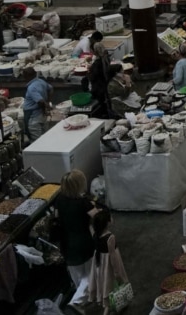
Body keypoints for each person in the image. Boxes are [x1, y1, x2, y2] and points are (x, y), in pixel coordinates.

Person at [57, 170, 95, 309]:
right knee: (90, 274)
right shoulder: (84, 203)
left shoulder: (59, 200)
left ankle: (82, 301)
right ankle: (77, 302)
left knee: (77, 275)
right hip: (83, 242)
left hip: (66, 242)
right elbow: (97, 218)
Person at [87, 206, 129, 314]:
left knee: (104, 283)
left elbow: (90, 225)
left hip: (99, 263)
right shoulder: (110, 237)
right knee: (110, 284)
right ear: (107, 222)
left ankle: (105, 305)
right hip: (109, 264)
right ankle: (109, 308)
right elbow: (113, 257)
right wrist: (117, 272)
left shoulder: (94, 233)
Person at [22, 67, 52, 142]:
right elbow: (51, 89)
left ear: (27, 76)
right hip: (41, 114)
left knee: (36, 140)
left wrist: (44, 108)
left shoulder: (32, 87)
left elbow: (40, 101)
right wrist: (48, 102)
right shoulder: (41, 81)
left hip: (33, 116)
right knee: (44, 135)